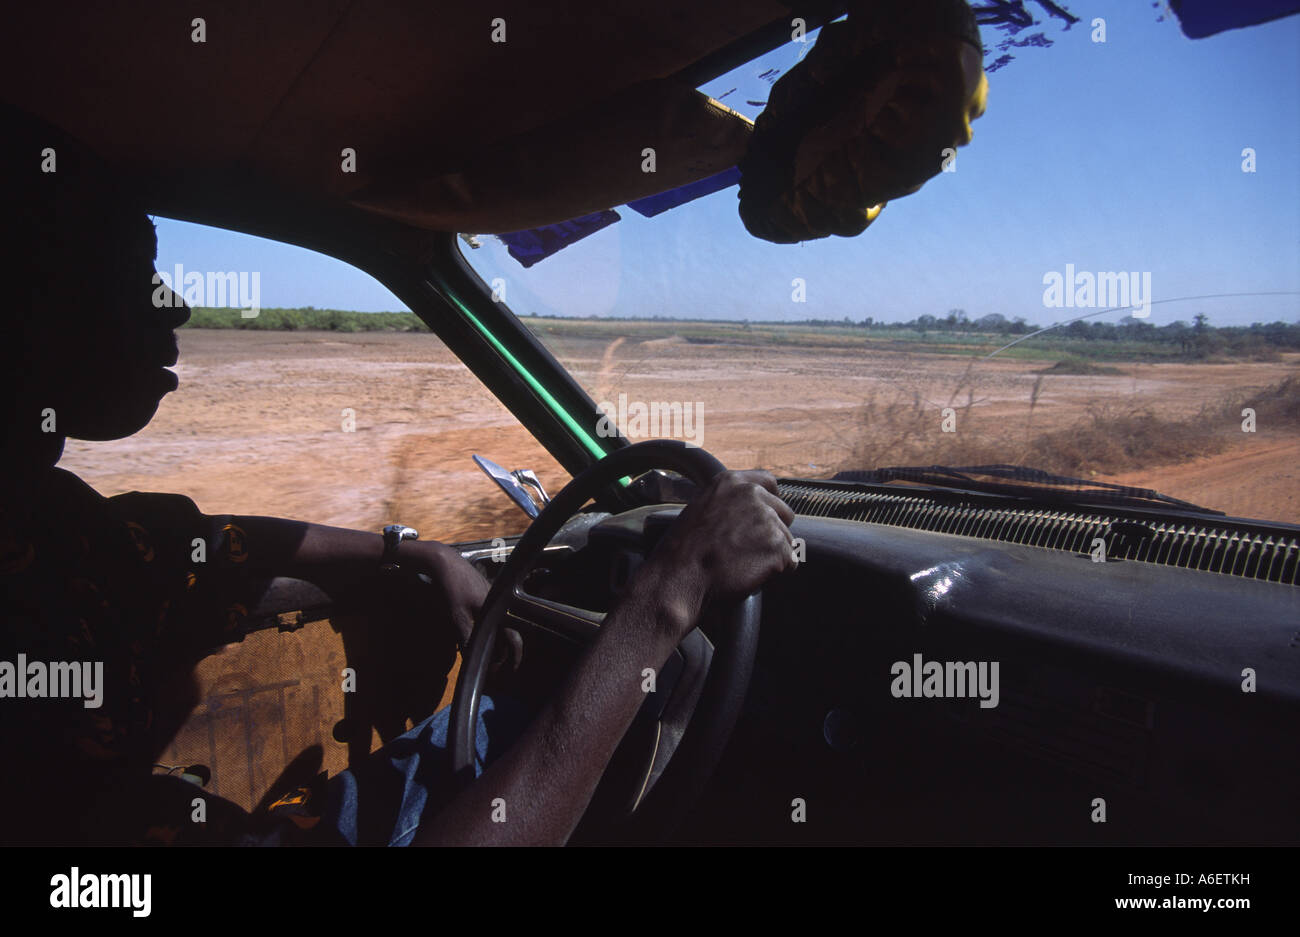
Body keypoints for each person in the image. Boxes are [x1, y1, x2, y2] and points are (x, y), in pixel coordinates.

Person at [0, 110, 797, 845]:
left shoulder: (51, 525)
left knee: (482, 731)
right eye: (126, 269)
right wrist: (667, 597)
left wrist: (414, 552)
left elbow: (205, 544)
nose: (170, 303)